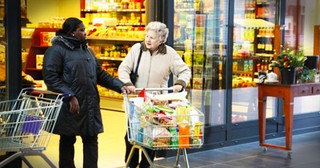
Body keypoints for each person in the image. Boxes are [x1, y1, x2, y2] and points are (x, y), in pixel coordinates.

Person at [42, 17, 133, 168]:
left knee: (91, 140)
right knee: (67, 140)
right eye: (82, 30)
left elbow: (100, 74)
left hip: (90, 103)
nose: (85, 33)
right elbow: (51, 77)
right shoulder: (56, 50)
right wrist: (69, 95)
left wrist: (120, 86)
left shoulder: (87, 50)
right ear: (72, 32)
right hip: (69, 105)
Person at [118, 21, 191, 168]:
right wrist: (128, 84)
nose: (148, 39)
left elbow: (184, 71)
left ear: (162, 40)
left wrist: (180, 83)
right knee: (131, 136)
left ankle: (146, 164)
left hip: (156, 102)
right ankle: (130, 164)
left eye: (152, 37)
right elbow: (123, 69)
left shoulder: (169, 53)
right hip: (136, 100)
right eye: (147, 36)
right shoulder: (137, 49)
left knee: (151, 136)